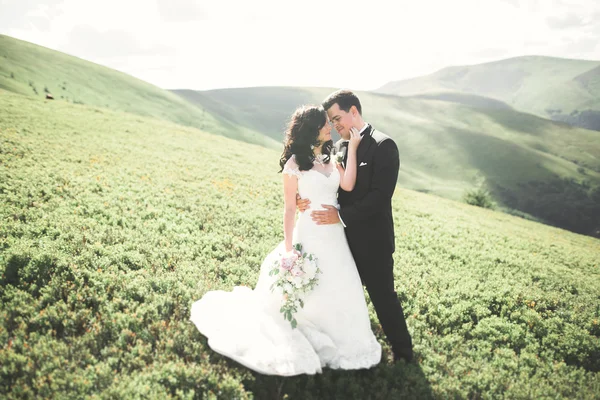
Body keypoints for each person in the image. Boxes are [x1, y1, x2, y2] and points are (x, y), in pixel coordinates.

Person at [190, 105, 381, 376]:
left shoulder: (332, 157)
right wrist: (289, 249)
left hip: (335, 237)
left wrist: (353, 146)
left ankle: (342, 334)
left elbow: (348, 184)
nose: (330, 128)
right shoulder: (294, 165)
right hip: (310, 234)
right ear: (312, 130)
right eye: (325, 124)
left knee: (339, 282)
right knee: (309, 287)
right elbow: (290, 208)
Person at [299, 90, 414, 363]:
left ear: (354, 111)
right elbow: (326, 182)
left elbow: (379, 196)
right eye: (331, 121)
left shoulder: (384, 145)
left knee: (383, 296)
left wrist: (340, 216)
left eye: (338, 118)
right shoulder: (338, 148)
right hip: (338, 240)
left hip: (373, 240)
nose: (335, 125)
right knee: (341, 294)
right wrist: (303, 198)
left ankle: (404, 353)